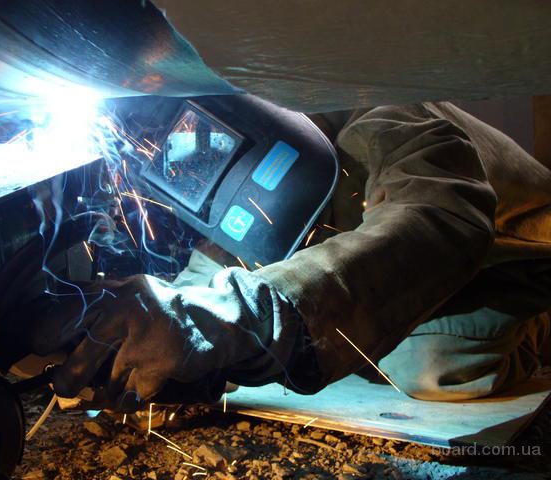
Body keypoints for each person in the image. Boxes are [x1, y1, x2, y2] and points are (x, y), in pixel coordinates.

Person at [29, 2, 551, 408]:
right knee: (328, 335)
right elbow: (216, 275)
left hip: (513, 267)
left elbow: (444, 212)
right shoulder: (225, 163)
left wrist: (219, 322)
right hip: (413, 269)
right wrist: (163, 329)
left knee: (431, 365)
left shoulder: (348, 89)